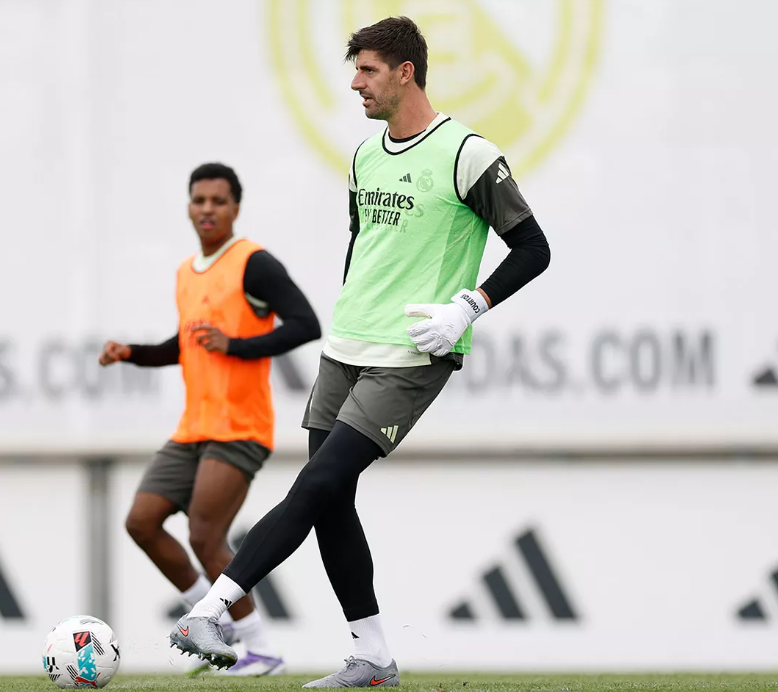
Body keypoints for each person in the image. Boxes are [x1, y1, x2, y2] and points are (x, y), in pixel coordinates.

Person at [168, 17, 552, 688]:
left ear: (405, 72)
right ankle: (372, 655)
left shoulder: (466, 153)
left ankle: (213, 607)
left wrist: (469, 304)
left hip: (410, 354)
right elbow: (363, 245)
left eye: (367, 70)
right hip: (346, 346)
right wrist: (349, 312)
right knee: (332, 500)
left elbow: (534, 249)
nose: (355, 83)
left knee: (315, 484)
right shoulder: (365, 154)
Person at [100, 162, 320, 677]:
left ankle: (261, 649)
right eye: (199, 200)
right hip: (191, 429)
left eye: (218, 201)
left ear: (235, 209)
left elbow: (306, 324)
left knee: (204, 536)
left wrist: (238, 345)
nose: (207, 209)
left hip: (239, 427)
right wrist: (130, 352)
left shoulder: (252, 263)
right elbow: (187, 345)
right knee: (141, 521)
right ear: (188, 206)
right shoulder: (185, 272)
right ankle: (210, 621)